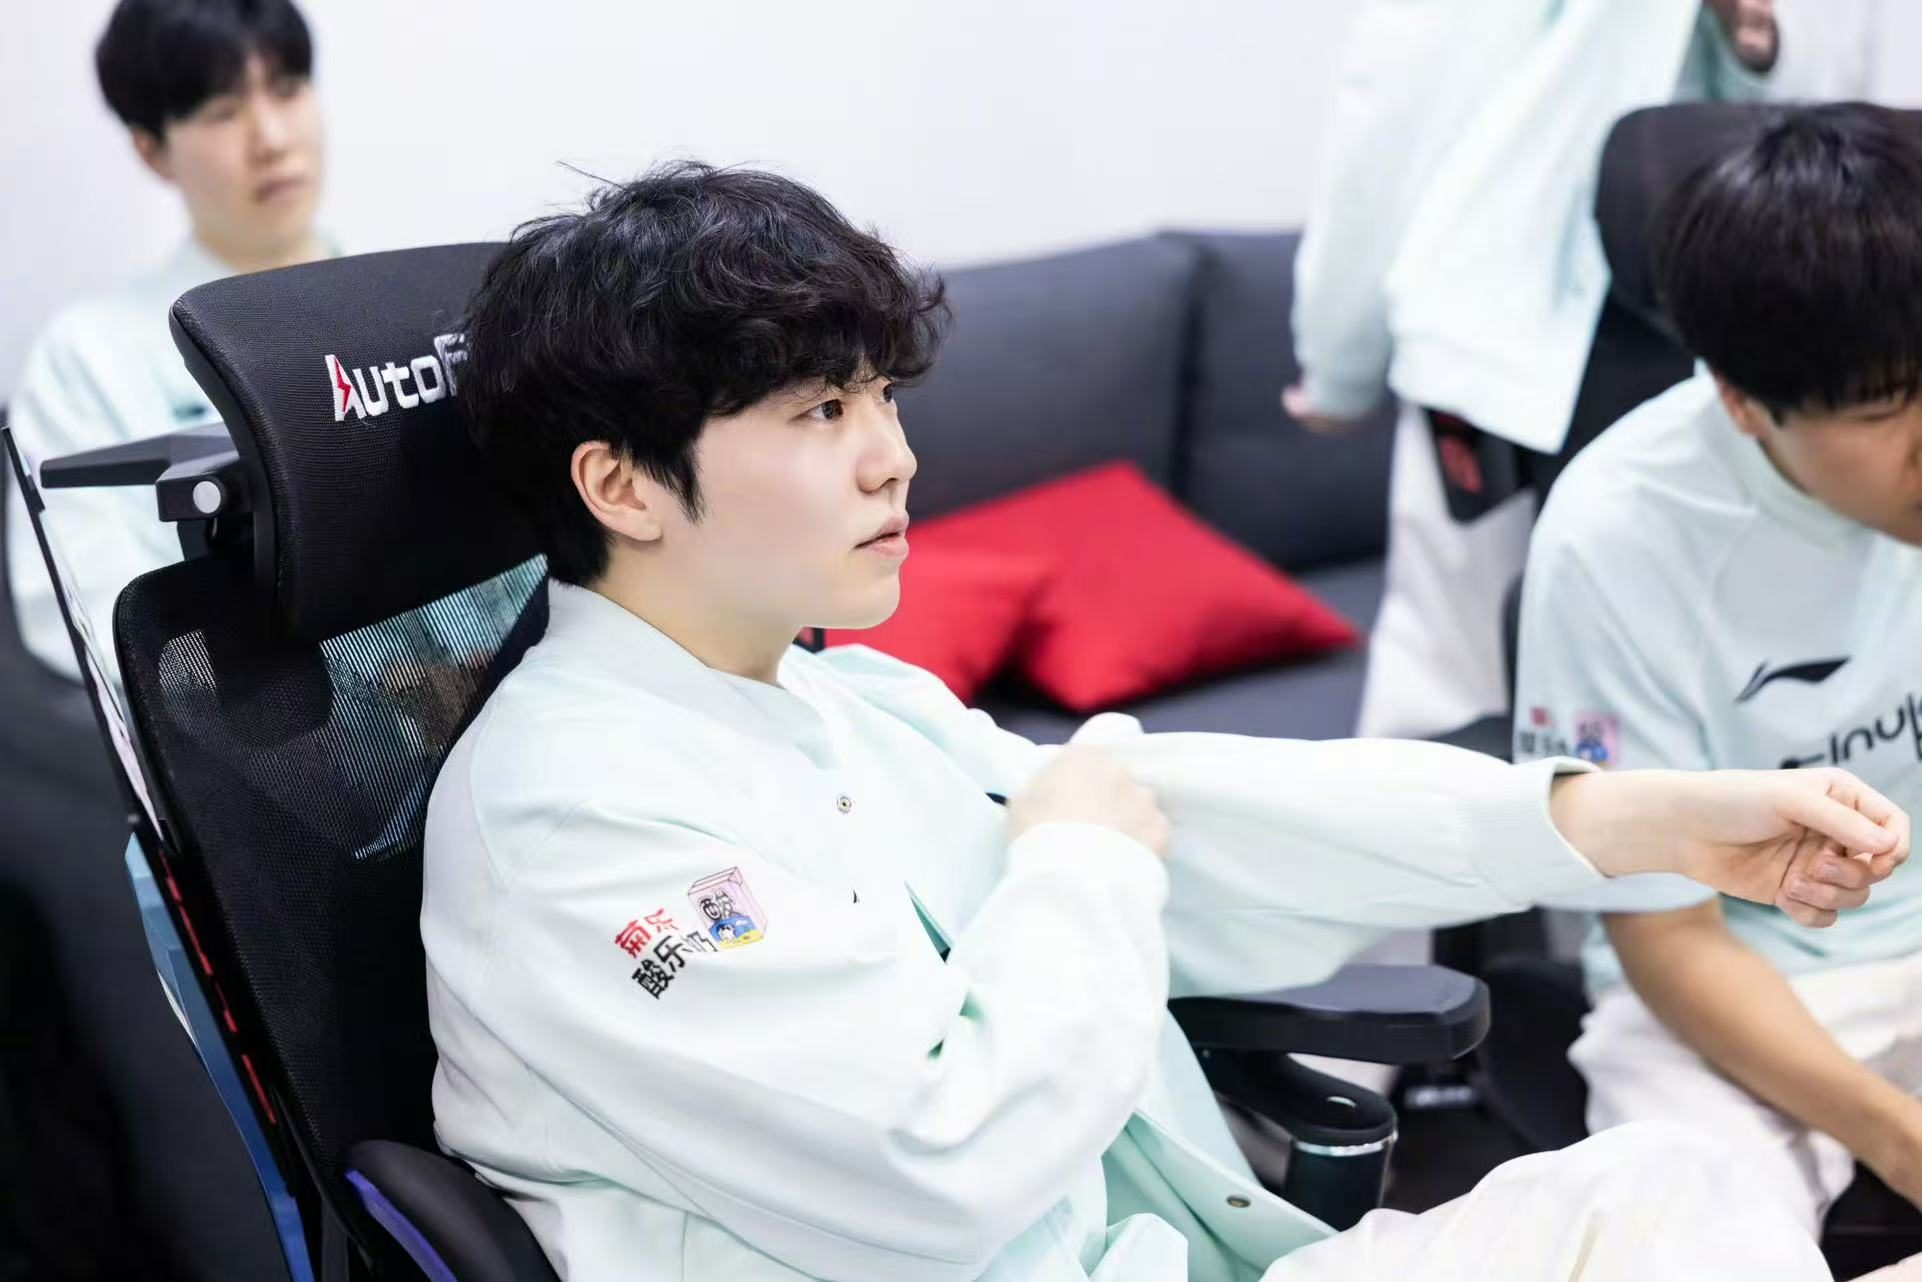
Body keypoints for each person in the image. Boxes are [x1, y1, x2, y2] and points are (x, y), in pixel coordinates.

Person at [421, 161, 1910, 1281]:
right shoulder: (571, 815)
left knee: (1671, 1191)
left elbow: (1181, 818)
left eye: (880, 397)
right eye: (820, 413)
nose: (892, 457)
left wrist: (1630, 821)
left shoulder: (836, 694)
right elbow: (941, 1150)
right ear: (621, 486)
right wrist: (1077, 861)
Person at [1514, 102, 1922, 1242]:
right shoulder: (1616, 538)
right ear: (1741, 402)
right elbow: (1668, 934)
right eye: (1883, 408)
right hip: (1745, 978)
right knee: (1678, 1226)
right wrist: (1898, 1135)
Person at [1288, 0, 1878, 742]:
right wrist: (1339, 363)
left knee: (1487, 696)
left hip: (1603, 329)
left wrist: (1337, 369)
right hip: (1563, 342)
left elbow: (1391, 123)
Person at [5, 0, 330, 680]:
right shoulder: (89, 356)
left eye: (287, 89)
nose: (272, 138)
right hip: (279, 726)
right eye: (222, 111)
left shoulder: (407, 304)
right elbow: (90, 612)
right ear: (152, 149)